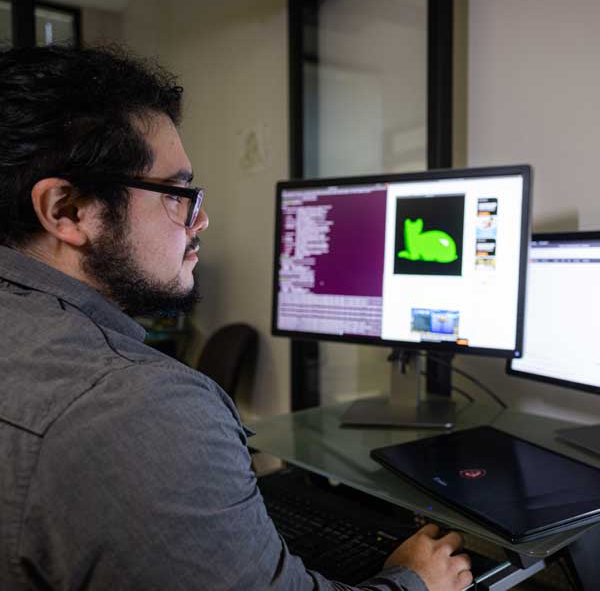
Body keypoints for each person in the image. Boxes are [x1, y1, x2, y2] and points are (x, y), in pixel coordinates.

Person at [0, 44, 473, 591]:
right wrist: (416, 581)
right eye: (178, 194)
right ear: (68, 210)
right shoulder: (137, 408)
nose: (201, 221)